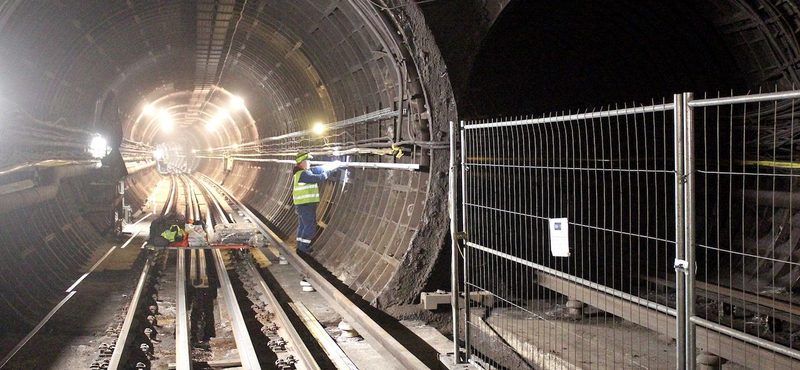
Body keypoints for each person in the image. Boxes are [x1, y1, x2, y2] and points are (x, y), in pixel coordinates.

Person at [292, 152, 335, 253]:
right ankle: (304, 248)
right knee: (310, 226)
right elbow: (318, 178)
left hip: (302, 204)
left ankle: (300, 246)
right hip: (306, 204)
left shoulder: (302, 172)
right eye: (308, 161)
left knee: (303, 225)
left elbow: (317, 170)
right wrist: (328, 172)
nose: (310, 162)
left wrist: (328, 166)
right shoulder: (303, 174)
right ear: (302, 162)